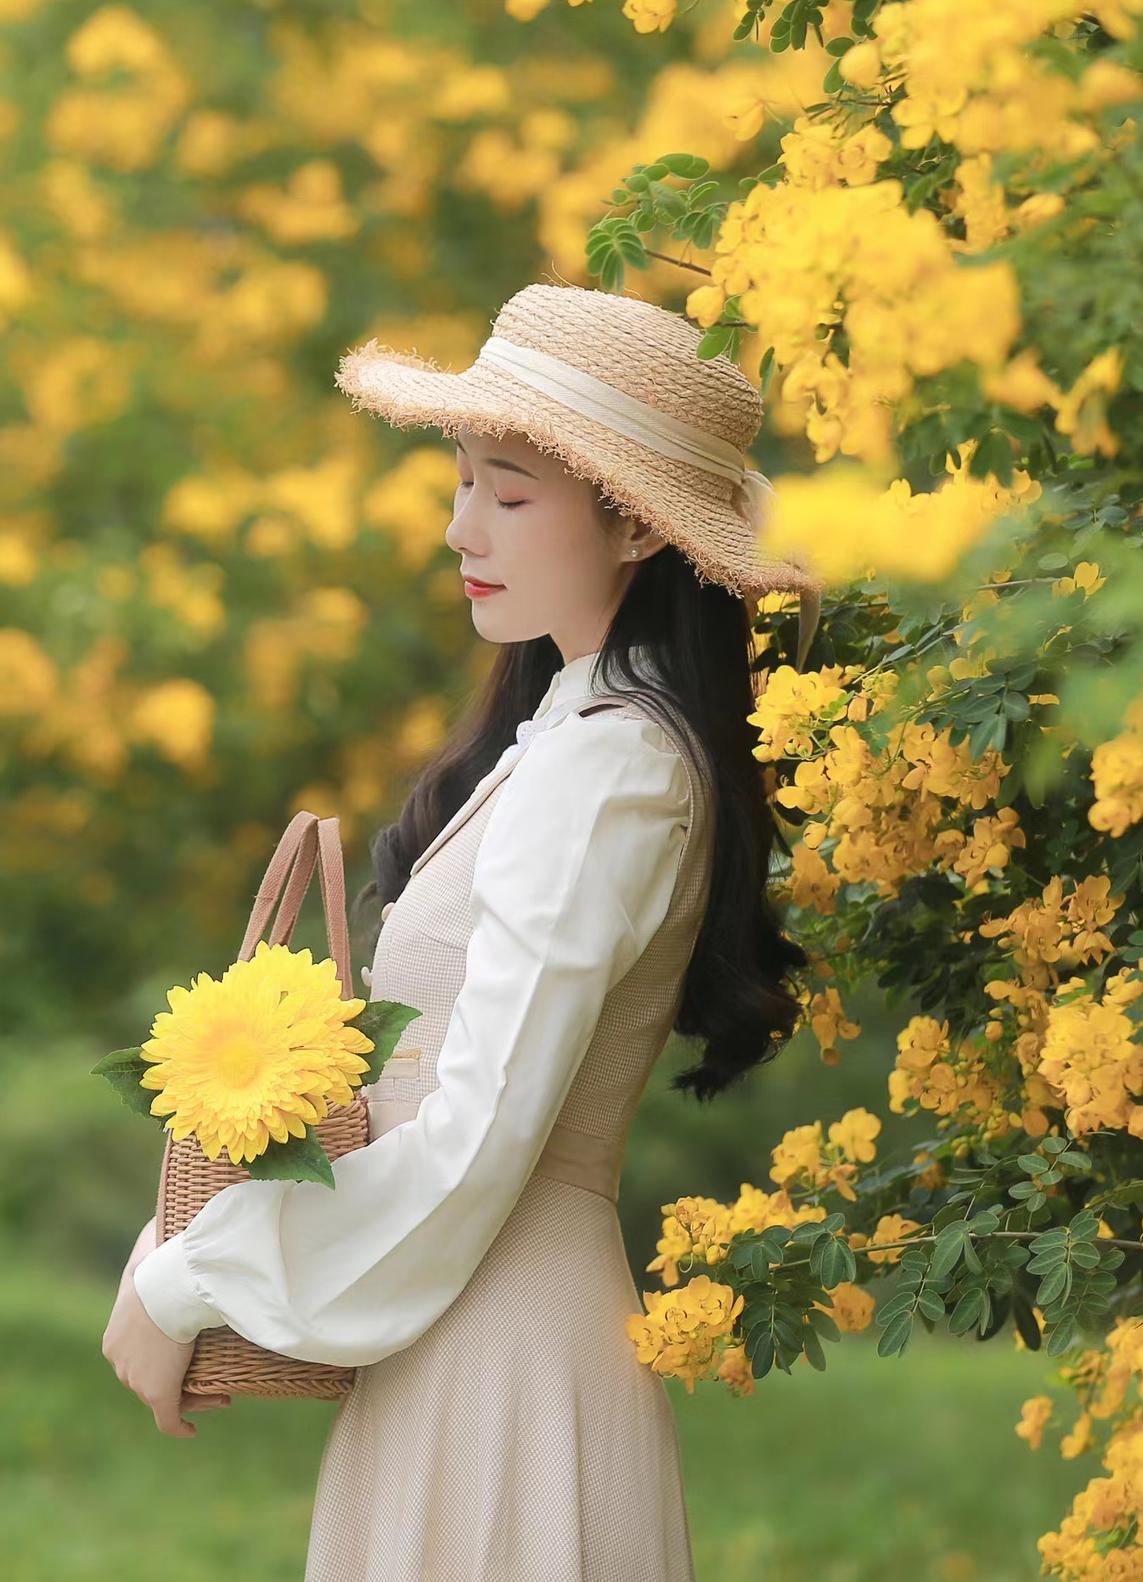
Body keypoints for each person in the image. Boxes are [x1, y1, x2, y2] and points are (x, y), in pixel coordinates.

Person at [106, 280, 822, 1579]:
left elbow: (478, 1139)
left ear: (634, 524)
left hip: (500, 1345)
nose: (459, 527)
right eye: (461, 481)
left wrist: (183, 1277)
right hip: (465, 1330)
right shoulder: (572, 736)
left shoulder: (609, 770)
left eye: (508, 489)